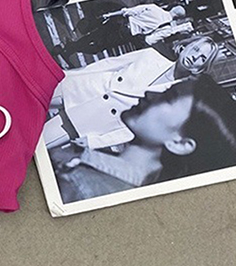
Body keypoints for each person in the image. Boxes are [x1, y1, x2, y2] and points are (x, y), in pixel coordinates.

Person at [52, 75, 236, 203]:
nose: (150, 94)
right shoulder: (99, 170)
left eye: (168, 98)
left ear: (179, 143)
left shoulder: (80, 188)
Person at [43, 36, 219, 151]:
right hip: (80, 87)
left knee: (38, 143)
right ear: (186, 46)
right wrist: (68, 75)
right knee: (28, 99)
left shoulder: (173, 101)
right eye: (196, 49)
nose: (195, 57)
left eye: (202, 58)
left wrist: (95, 141)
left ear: (201, 68)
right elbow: (108, 64)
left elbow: (135, 129)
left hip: (90, 120)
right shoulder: (151, 56)